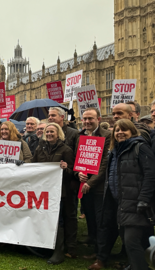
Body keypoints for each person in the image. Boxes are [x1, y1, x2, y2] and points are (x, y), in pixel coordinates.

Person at [89, 119, 155, 270]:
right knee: (132, 241)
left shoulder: (140, 147)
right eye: (117, 130)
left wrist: (144, 199)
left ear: (132, 131)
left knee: (131, 241)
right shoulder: (114, 152)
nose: (120, 133)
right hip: (120, 203)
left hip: (136, 203)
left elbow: (151, 175)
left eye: (124, 130)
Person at [32, 123, 74, 265]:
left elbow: (72, 173)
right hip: (42, 191)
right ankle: (44, 246)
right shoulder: (40, 148)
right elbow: (32, 166)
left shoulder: (66, 150)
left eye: (52, 132)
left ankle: (58, 251)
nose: (49, 134)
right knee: (42, 217)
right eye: (47, 131)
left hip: (58, 192)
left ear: (58, 134)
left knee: (58, 220)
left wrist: (66, 168)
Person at [74, 108, 111, 261]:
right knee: (89, 215)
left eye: (91, 118)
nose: (87, 121)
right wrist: (78, 173)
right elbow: (77, 158)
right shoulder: (80, 135)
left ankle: (100, 253)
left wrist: (91, 182)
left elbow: (105, 163)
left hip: (99, 186)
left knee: (100, 219)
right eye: (85, 118)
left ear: (99, 119)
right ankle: (92, 241)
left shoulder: (107, 135)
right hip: (84, 185)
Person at [48, 107, 79, 257]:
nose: (50, 118)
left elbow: (77, 158)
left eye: (53, 115)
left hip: (68, 183)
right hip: (50, 186)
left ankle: (71, 247)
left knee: (69, 215)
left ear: (62, 117)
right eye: (49, 116)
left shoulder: (73, 134)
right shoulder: (43, 145)